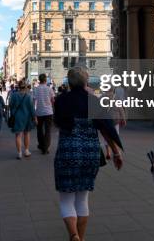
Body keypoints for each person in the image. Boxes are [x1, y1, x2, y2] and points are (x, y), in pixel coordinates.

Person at [54, 67, 123, 241]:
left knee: (66, 199)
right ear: (86, 82)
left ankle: (73, 234)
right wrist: (116, 153)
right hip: (90, 154)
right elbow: (106, 129)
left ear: (69, 82)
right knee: (82, 200)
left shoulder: (61, 100)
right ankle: (81, 238)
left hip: (67, 153)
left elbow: (57, 123)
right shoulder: (94, 101)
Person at [9, 80, 36, 159]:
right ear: (26, 87)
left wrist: (13, 113)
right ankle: (26, 151)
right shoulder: (28, 96)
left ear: (18, 86)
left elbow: (11, 105)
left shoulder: (14, 95)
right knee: (26, 134)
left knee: (18, 135)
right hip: (27, 117)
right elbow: (31, 108)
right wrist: (35, 117)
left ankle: (19, 152)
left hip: (17, 117)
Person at [33, 73, 55, 154]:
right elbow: (53, 101)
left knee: (39, 130)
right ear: (45, 80)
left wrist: (34, 113)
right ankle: (45, 147)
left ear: (39, 80)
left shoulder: (36, 89)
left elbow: (34, 101)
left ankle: (42, 145)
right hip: (48, 112)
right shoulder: (49, 89)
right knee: (48, 130)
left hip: (39, 112)